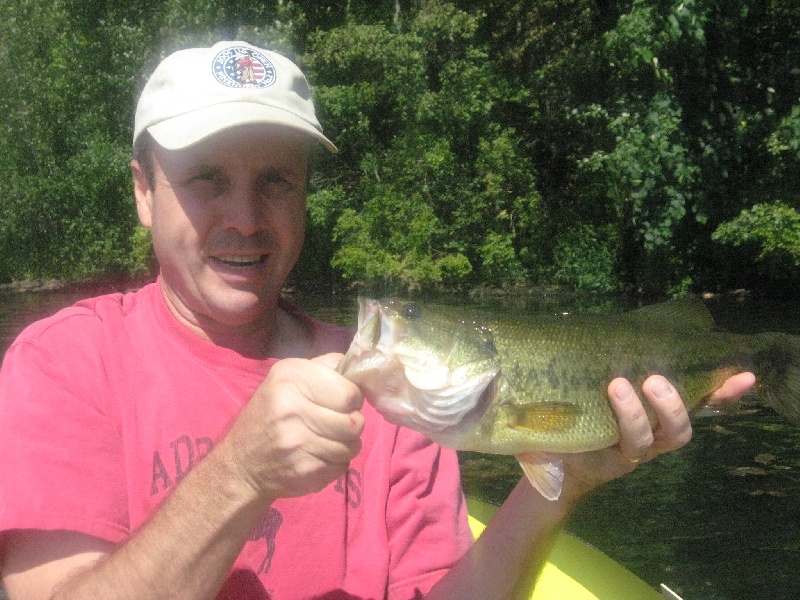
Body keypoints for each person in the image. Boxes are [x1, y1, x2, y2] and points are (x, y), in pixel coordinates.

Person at [0, 41, 755, 600]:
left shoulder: (394, 392)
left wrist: (569, 480)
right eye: (205, 179)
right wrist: (239, 476)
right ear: (142, 192)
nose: (244, 217)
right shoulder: (64, 364)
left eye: (275, 181)